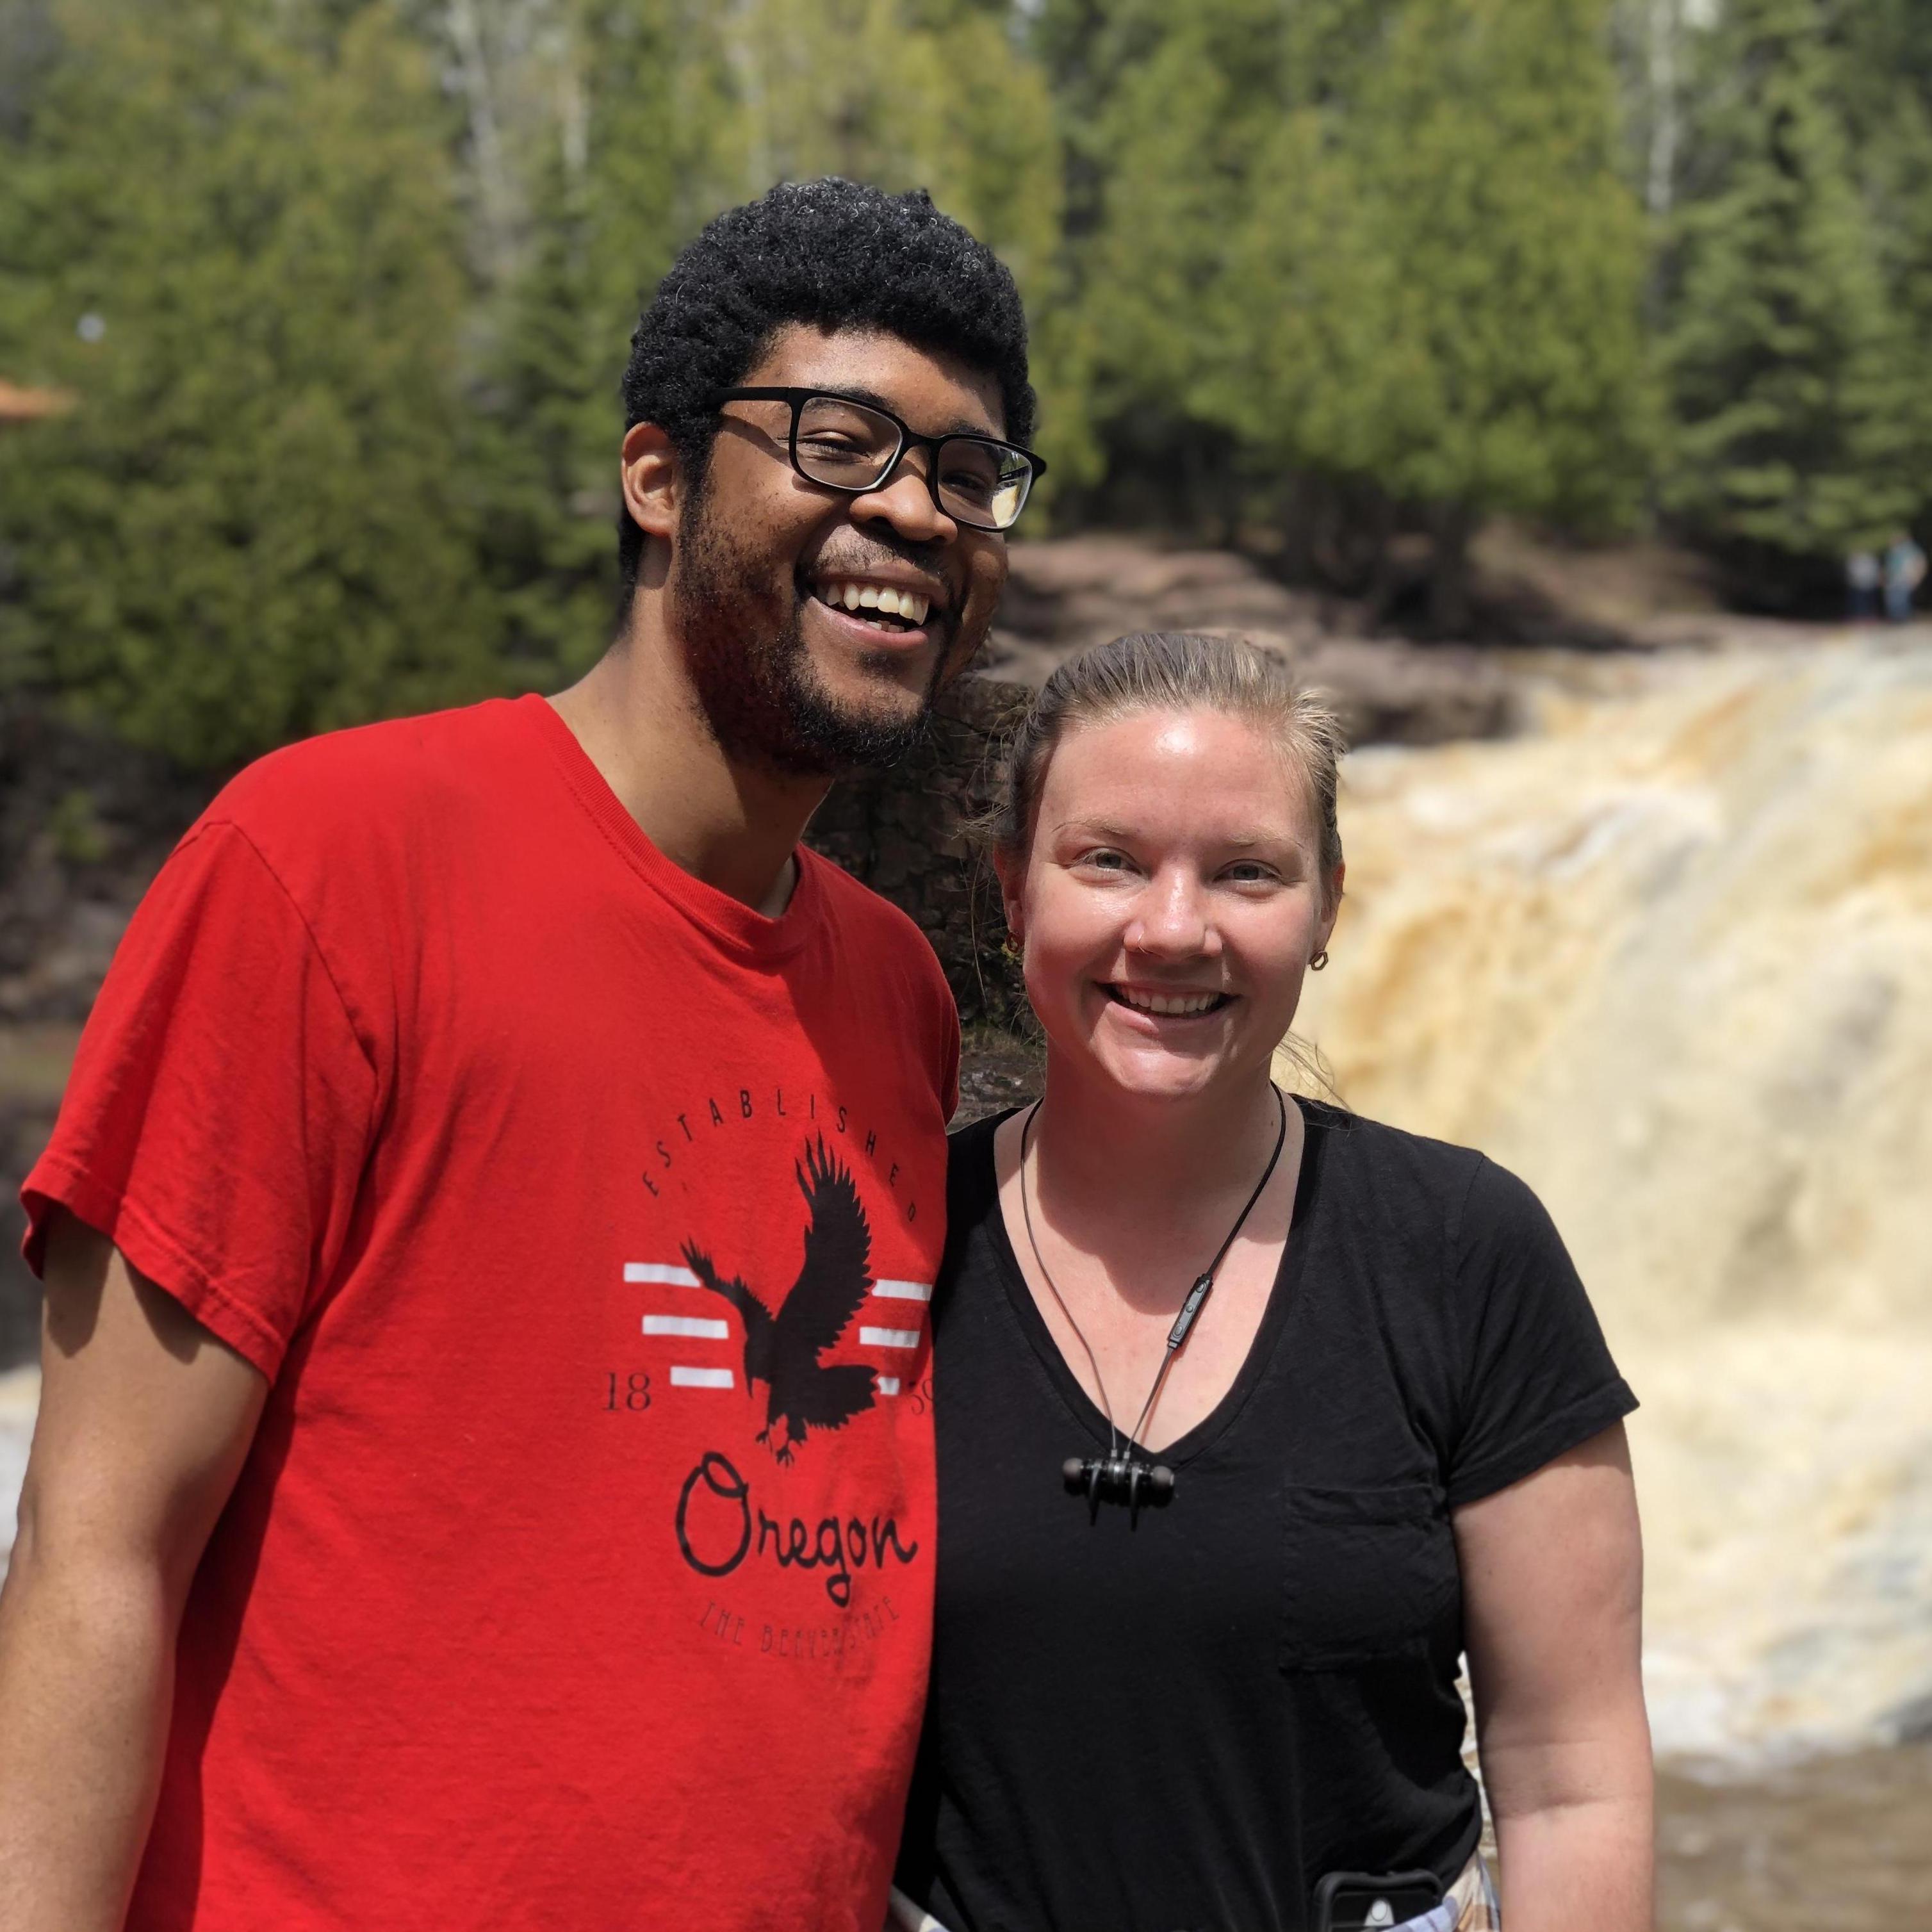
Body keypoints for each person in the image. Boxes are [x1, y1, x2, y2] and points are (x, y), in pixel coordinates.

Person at [0, 179, 1047, 1932]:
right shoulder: (330, 862)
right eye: (839, 441)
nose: (914, 512)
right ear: (656, 478)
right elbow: (93, 1549)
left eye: (968, 472)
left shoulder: (894, 991)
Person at [895, 633, 1653, 1932]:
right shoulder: (894, 1243)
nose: (1171, 927)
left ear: (1326, 907)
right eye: (1108, 859)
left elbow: (1568, 1773)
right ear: (1013, 887)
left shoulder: (1464, 1250)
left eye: (1245, 870)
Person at [1883, 532, 1926, 623]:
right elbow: (1889, 568)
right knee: (1893, 600)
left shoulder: (1911, 550)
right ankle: (1896, 619)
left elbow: (1920, 563)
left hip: (1905, 578)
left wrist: (1917, 577)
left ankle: (1904, 619)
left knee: (1902, 599)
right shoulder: (1893, 552)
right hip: (1893, 580)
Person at [1846, 548, 1881, 621]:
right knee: (1859, 602)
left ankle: (1870, 616)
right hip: (1858, 585)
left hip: (1869, 584)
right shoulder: (1854, 561)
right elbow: (1851, 573)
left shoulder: (1870, 559)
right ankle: (1861, 616)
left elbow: (1874, 571)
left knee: (1870, 602)